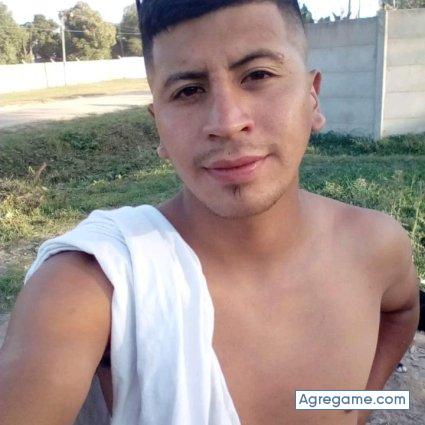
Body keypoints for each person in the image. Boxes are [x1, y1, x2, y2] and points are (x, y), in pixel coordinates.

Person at [0, 1, 420, 424]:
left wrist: (356, 407)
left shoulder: (375, 246)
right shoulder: (96, 283)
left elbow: (401, 312)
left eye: (258, 75)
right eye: (188, 91)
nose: (227, 122)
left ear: (313, 96)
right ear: (159, 126)